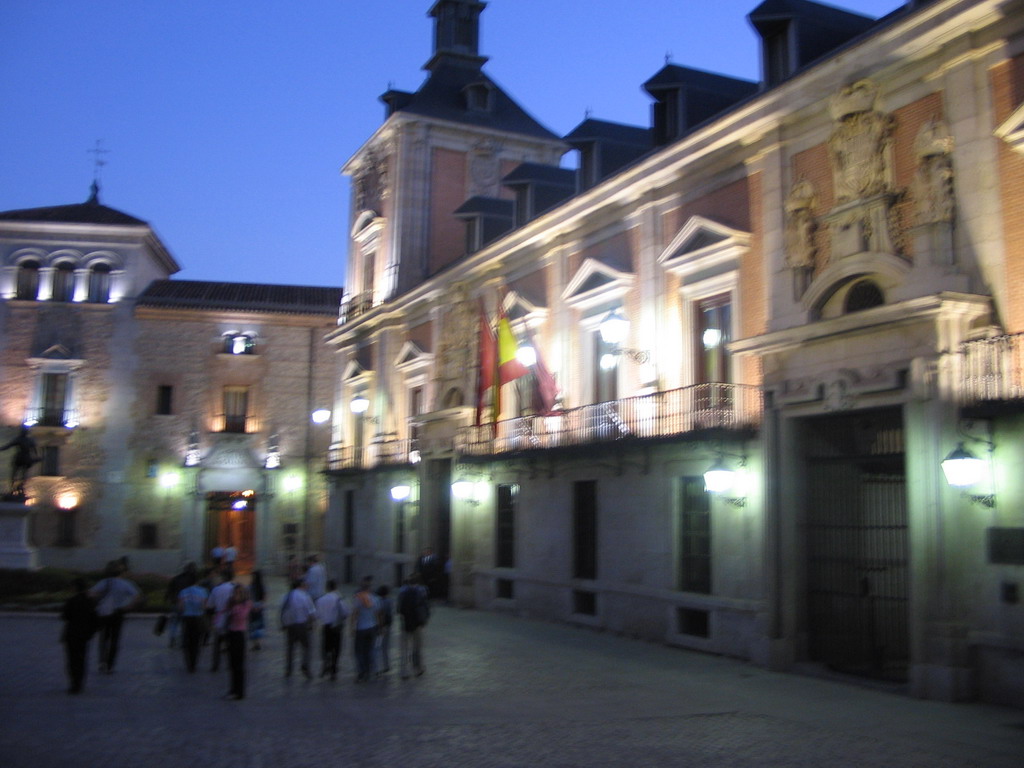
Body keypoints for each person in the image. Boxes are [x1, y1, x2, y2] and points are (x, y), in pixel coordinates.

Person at [89, 560, 142, 674]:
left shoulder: (104, 582)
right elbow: (137, 597)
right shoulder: (126, 584)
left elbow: (91, 594)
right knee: (115, 639)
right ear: (121, 572)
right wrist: (128, 607)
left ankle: (102, 662)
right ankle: (110, 665)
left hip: (104, 613)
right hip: (118, 613)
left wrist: (99, 601)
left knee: (104, 638)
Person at [61, 576, 97, 694]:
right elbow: (95, 618)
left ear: (75, 587)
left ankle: (74, 684)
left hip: (72, 633)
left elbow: (65, 616)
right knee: (81, 659)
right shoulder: (90, 601)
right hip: (84, 635)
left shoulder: (71, 601)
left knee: (72, 660)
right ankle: (80, 683)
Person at [279, 578, 316, 679]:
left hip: (290, 625)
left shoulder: (287, 596)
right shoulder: (305, 596)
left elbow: (282, 609)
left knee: (290, 648)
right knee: (306, 647)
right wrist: (312, 624)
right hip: (302, 625)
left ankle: (289, 669)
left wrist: (283, 623)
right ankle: (305, 666)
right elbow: (311, 613)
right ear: (301, 585)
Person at [397, 573, 429, 679]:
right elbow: (425, 608)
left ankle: (404, 671)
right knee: (417, 647)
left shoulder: (402, 591)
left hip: (405, 623)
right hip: (417, 624)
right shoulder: (422, 591)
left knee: (405, 648)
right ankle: (417, 668)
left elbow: (399, 609)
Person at [315, 579, 348, 681]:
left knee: (326, 647)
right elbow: (346, 612)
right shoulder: (339, 598)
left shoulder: (321, 600)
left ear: (327, 587)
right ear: (335, 587)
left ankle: (326, 663)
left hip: (326, 626)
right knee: (336, 648)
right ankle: (334, 668)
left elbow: (317, 615)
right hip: (337, 626)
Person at [224, 583, 252, 700]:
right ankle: (233, 689)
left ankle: (239, 692)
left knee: (239, 664)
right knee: (232, 664)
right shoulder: (230, 603)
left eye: (239, 593)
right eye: (235, 593)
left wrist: (235, 606)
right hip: (231, 633)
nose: (236, 595)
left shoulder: (246, 604)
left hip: (239, 634)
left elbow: (242, 616)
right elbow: (225, 614)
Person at [350, 576, 380, 682]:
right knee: (369, 649)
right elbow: (377, 614)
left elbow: (354, 614)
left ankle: (361, 671)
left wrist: (352, 627)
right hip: (372, 627)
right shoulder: (375, 598)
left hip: (361, 628)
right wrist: (378, 626)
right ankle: (369, 670)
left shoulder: (358, 598)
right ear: (369, 588)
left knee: (359, 651)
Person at [177, 573, 209, 672]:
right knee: (196, 642)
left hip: (187, 618)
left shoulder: (182, 592)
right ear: (197, 581)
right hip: (198, 618)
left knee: (187, 641)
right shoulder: (203, 591)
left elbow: (180, 607)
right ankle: (194, 664)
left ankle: (188, 663)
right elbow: (204, 606)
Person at [206, 568, 235, 672]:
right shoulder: (235, 588)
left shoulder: (216, 589)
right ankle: (231, 664)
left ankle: (215, 665)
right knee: (230, 643)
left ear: (222, 577)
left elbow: (209, 605)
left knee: (217, 643)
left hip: (219, 618)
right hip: (232, 618)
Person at [164, 562, 196, 649]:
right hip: (185, 604)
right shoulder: (191, 580)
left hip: (175, 602)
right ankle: (182, 641)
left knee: (174, 622)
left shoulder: (176, 578)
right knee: (184, 623)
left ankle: (172, 638)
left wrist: (167, 600)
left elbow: (169, 590)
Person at [0, 426, 38, 496]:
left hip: (21, 457)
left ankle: (16, 487)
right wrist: (36, 457)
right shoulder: (28, 440)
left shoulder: (20, 439)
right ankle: (19, 487)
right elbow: (34, 450)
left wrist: (1, 448)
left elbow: (8, 446)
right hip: (25, 458)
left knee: (16, 473)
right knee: (22, 474)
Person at [376, 584, 393, 674]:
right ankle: (386, 665)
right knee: (385, 647)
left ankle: (378, 666)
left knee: (378, 646)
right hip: (387, 625)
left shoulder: (378, 601)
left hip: (380, 625)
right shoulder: (389, 601)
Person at [248, 569, 267, 651]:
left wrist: (252, 606)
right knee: (258, 625)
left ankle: (255, 643)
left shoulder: (251, 586)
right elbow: (264, 598)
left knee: (253, 625)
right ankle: (258, 643)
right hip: (259, 606)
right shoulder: (262, 586)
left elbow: (248, 597)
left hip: (252, 607)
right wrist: (261, 606)